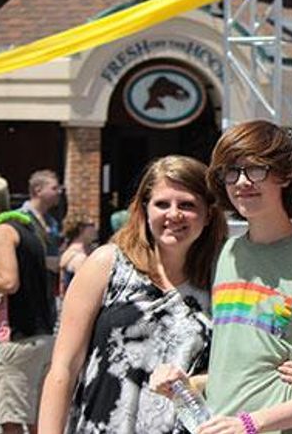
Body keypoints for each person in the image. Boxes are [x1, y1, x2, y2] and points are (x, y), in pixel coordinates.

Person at [163, 120, 292, 434]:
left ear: (285, 175)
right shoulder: (225, 255)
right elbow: (236, 371)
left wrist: (250, 423)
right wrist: (189, 384)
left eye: (256, 169)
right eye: (231, 172)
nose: (242, 182)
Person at [38, 156, 226, 434]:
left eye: (187, 205)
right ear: (144, 210)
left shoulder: (221, 278)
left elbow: (234, 370)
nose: (174, 214)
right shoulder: (107, 264)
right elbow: (63, 368)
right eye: (162, 204)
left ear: (208, 213)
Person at [0, 174, 56, 434]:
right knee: (37, 419)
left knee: (11, 419)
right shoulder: (27, 229)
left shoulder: (0, 232)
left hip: (17, 338)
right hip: (41, 335)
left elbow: (9, 282)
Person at [20, 169, 64, 288]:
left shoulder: (52, 221)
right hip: (28, 285)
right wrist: (45, 261)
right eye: (54, 188)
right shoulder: (21, 219)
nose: (59, 192)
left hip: (48, 285)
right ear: (38, 190)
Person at [57, 213, 97, 296]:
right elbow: (86, 288)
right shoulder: (79, 257)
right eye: (92, 225)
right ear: (81, 228)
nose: (95, 228)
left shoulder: (70, 250)